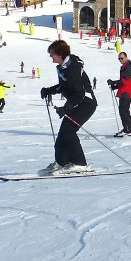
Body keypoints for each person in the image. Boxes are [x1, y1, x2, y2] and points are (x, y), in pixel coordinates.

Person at [39, 40, 94, 175]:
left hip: (86, 103)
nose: (50, 56)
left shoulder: (72, 67)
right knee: (63, 133)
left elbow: (79, 93)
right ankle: (62, 162)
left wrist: (67, 107)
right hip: (77, 102)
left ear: (60, 54)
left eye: (52, 53)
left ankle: (80, 164)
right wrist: (49, 90)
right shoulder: (63, 67)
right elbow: (65, 87)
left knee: (69, 132)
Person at [108, 51, 131, 136]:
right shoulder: (125, 66)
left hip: (127, 92)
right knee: (123, 111)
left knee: (124, 111)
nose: (120, 60)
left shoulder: (128, 67)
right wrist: (115, 86)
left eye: (122, 58)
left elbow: (125, 81)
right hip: (125, 91)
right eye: (119, 58)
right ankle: (127, 128)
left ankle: (129, 129)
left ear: (126, 57)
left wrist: (114, 83)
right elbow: (123, 81)